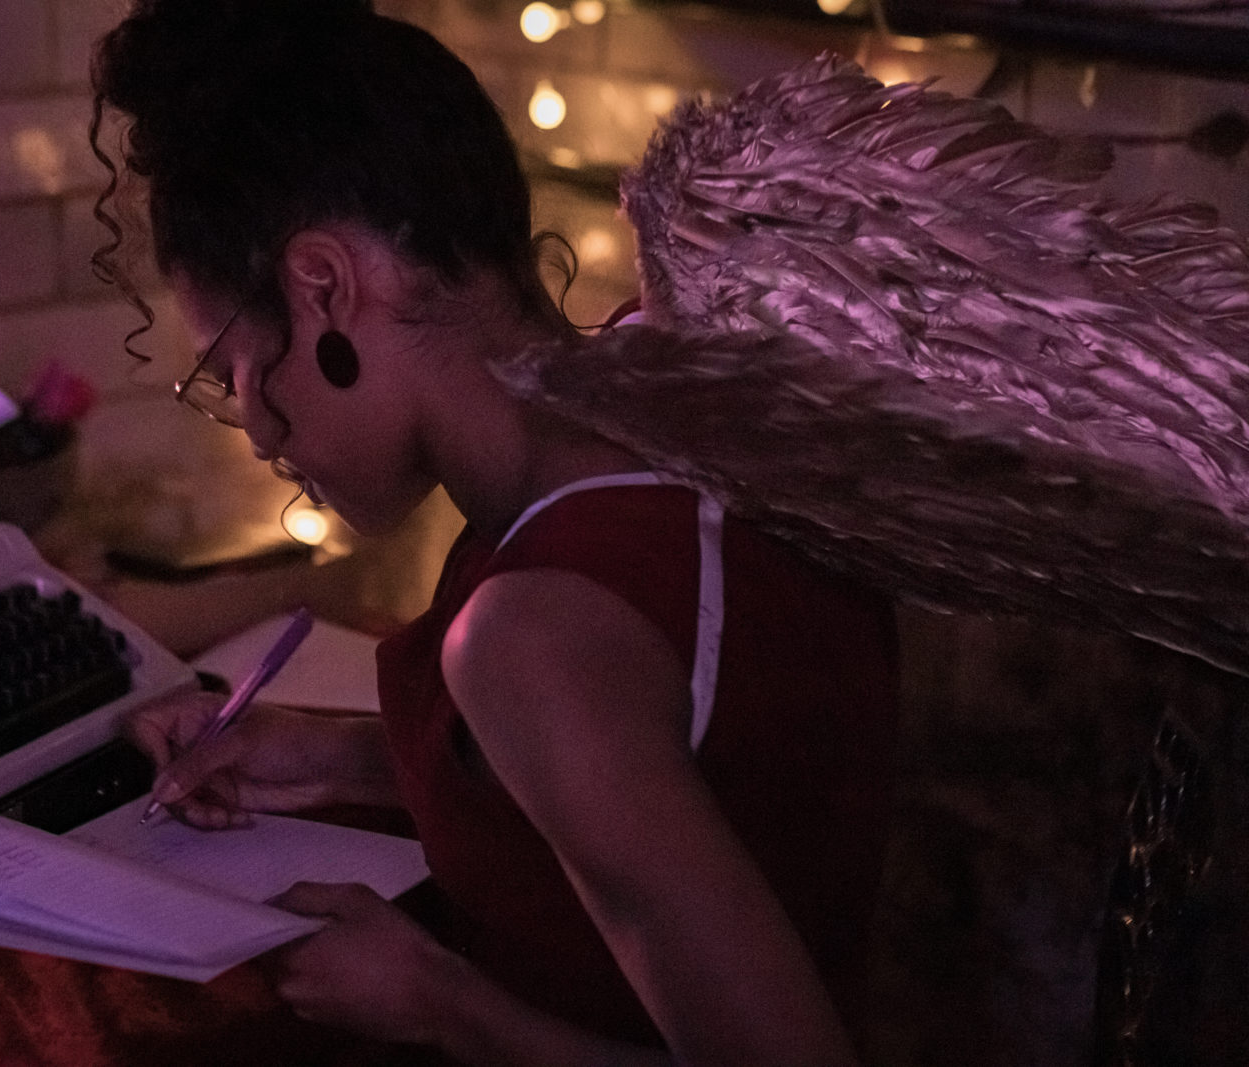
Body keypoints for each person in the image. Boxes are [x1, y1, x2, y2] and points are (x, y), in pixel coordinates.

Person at [91, 2, 900, 1063]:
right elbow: (677, 765)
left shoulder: (531, 633)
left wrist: (440, 1004)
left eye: (234, 367)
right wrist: (345, 757)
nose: (254, 426)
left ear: (324, 286)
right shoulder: (676, 380)